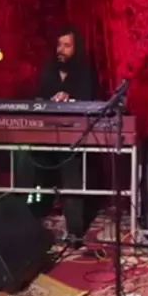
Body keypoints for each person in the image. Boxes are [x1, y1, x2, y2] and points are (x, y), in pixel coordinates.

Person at [15, 25, 100, 245]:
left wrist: (69, 98)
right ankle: (26, 223)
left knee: (70, 165)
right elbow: (38, 99)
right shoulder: (49, 70)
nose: (61, 50)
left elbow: (89, 100)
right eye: (59, 45)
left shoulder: (85, 71)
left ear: (76, 48)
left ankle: (74, 231)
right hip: (45, 137)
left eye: (67, 45)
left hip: (74, 138)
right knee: (25, 158)